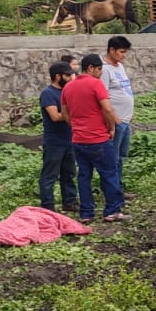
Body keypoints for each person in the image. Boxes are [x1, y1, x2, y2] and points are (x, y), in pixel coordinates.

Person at [62, 53, 124, 222]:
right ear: (90, 68)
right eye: (99, 69)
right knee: (109, 173)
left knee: (84, 176)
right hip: (98, 138)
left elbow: (65, 111)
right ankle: (112, 210)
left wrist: (74, 126)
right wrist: (111, 127)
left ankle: (86, 213)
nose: (101, 73)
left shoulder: (68, 87)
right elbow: (108, 109)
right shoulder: (96, 84)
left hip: (78, 140)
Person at [38, 61, 78, 213]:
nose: (70, 78)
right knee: (50, 175)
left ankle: (70, 202)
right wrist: (75, 113)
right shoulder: (48, 94)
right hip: (55, 142)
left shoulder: (67, 91)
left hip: (69, 140)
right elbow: (55, 116)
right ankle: (47, 206)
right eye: (67, 75)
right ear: (57, 76)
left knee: (69, 173)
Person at [99, 35, 135, 198]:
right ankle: (111, 190)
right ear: (111, 50)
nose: (124, 55)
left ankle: (117, 188)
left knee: (121, 156)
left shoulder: (119, 66)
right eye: (121, 52)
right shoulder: (104, 69)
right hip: (116, 121)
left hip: (125, 120)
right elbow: (102, 97)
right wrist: (113, 118)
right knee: (112, 158)